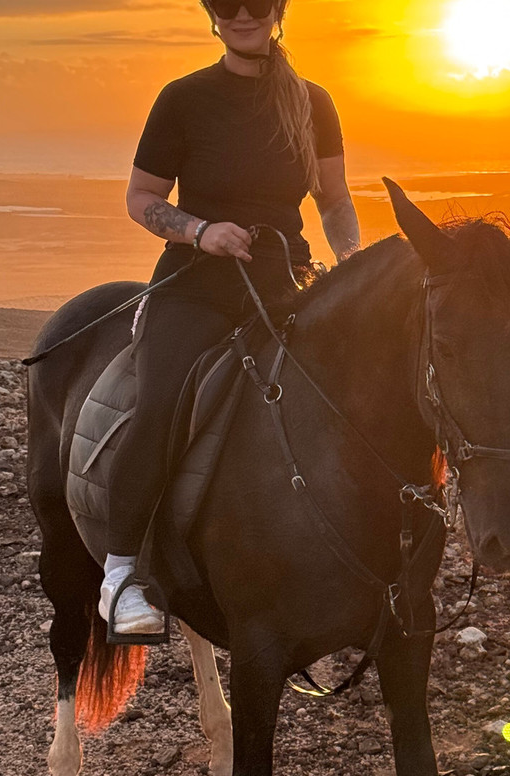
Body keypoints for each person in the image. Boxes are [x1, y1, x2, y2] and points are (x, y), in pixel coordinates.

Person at [99, 0, 361, 638]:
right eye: (226, 2)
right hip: (195, 286)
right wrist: (199, 229)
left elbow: (333, 200)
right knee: (161, 402)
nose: (242, 13)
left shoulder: (314, 102)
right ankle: (122, 574)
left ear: (278, 10)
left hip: (286, 284)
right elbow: (141, 197)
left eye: (257, 1)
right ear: (211, 14)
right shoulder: (183, 98)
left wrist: (353, 263)